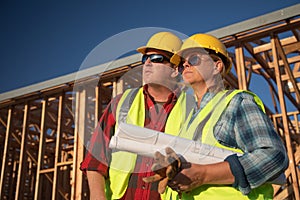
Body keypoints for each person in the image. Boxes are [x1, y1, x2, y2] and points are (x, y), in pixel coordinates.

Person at [147, 33, 289, 199]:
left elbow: (273, 156)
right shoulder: (188, 121)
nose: (185, 64)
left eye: (193, 59)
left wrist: (205, 174)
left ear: (217, 66)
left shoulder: (236, 102)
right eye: (181, 64)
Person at [80, 31, 195, 200]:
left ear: (174, 69)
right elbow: (95, 159)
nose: (147, 64)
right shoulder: (122, 103)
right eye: (144, 59)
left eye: (156, 59)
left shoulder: (192, 108)